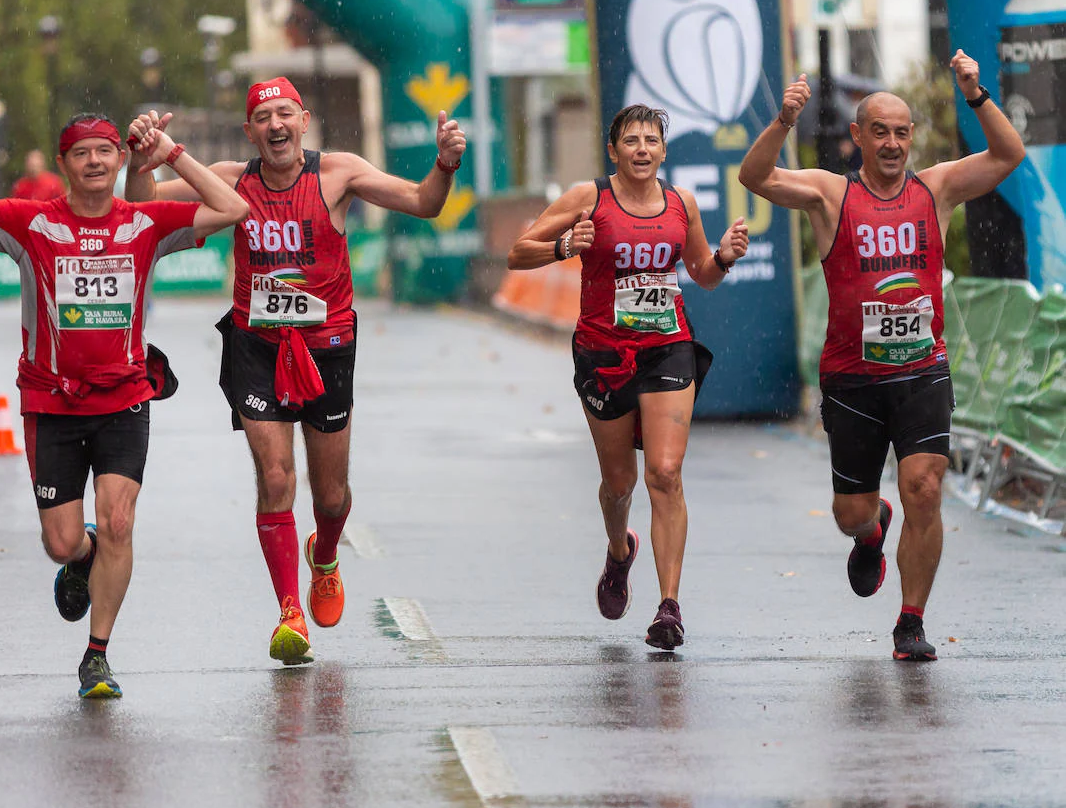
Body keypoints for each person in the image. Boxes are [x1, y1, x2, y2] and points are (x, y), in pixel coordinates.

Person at [0, 109, 249, 697]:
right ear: (63, 164)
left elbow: (233, 209)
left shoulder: (144, 224)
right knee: (61, 541)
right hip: (51, 403)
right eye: (82, 153)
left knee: (120, 522)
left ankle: (97, 655)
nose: (95, 162)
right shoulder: (32, 224)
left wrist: (169, 152)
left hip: (126, 397)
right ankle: (81, 559)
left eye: (106, 151)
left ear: (120, 159)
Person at [125, 77, 466, 666]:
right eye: (263, 117)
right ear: (250, 131)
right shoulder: (231, 179)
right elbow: (140, 204)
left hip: (327, 345)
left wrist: (444, 163)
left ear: (304, 121)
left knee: (331, 497)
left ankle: (326, 555)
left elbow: (424, 203)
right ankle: (290, 611)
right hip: (256, 346)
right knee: (277, 478)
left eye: (285, 114)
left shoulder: (338, 173)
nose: (276, 126)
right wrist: (139, 158)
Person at [738, 51, 1024, 661]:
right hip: (852, 378)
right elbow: (755, 177)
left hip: (922, 369)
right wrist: (784, 122)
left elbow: (1007, 156)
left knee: (925, 485)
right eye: (881, 132)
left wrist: (975, 93)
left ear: (910, 138)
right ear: (859, 137)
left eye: (902, 132)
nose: (893, 143)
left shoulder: (936, 188)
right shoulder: (829, 194)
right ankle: (870, 533)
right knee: (850, 511)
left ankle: (911, 622)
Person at [507, 105, 749, 651]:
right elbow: (516, 253)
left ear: (664, 151)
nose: (642, 149)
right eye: (631, 141)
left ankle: (669, 608)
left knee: (665, 473)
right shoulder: (587, 198)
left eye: (651, 141)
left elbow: (702, 275)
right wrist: (566, 246)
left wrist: (724, 258)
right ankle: (620, 551)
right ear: (613, 150)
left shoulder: (681, 203)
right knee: (621, 484)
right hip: (603, 352)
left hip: (668, 346)